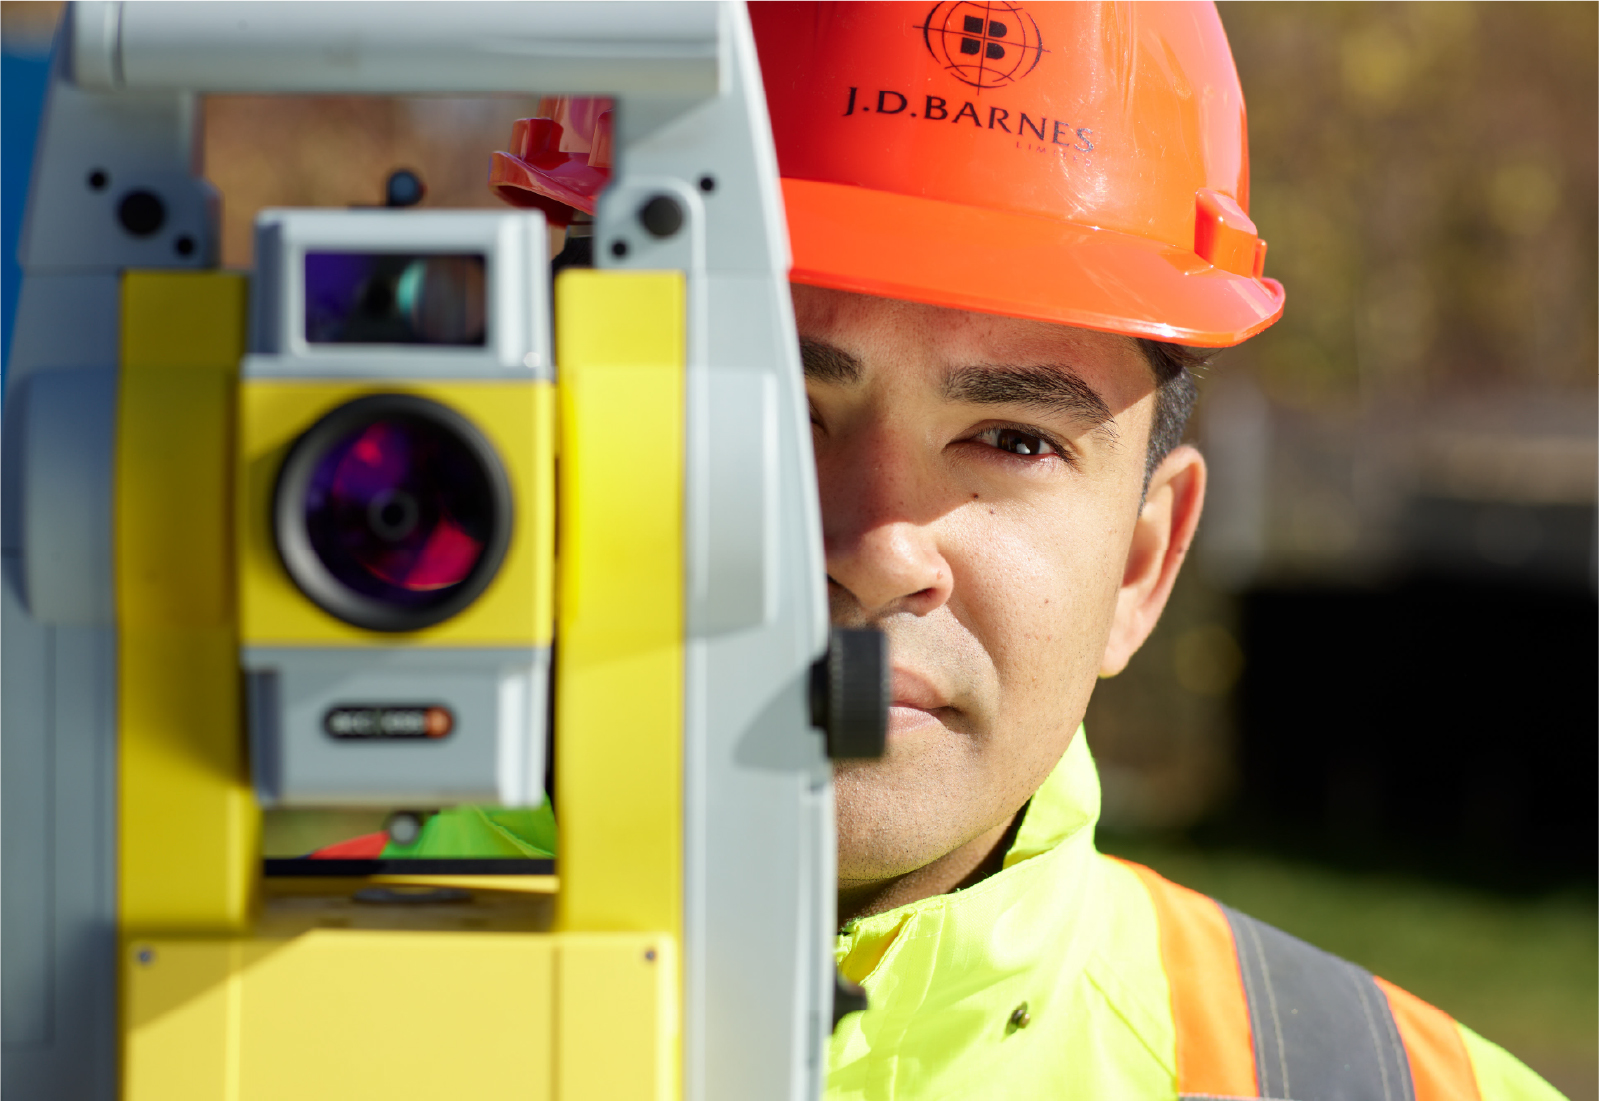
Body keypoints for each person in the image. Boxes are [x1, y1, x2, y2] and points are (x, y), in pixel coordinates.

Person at [492, 4, 1563, 1097]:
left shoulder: (1392, 1084)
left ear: (1143, 564)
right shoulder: (358, 1025)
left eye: (1013, 440)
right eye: (765, 402)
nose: (880, 547)